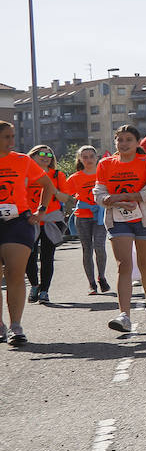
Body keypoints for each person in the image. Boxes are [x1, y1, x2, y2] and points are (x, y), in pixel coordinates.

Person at [94, 125, 146, 332]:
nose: (123, 143)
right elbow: (98, 193)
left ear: (137, 143)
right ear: (115, 142)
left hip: (145, 218)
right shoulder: (105, 164)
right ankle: (124, 315)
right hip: (118, 219)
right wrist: (113, 200)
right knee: (123, 265)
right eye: (120, 140)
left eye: (128, 140)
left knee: (145, 264)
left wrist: (131, 198)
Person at [0, 122, 55, 345]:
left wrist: (40, 210)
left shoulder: (22, 160)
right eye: (6, 137)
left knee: (14, 273)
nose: (12, 141)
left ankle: (16, 326)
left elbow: (48, 185)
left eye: (13, 136)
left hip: (18, 221)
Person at [24, 145, 70, 305]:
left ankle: (44, 291)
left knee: (47, 257)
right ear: (33, 155)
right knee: (28, 256)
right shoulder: (25, 173)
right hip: (30, 218)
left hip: (51, 220)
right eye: (41, 153)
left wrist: (52, 189)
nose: (46, 156)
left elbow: (65, 198)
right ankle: (35, 285)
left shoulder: (57, 175)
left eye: (49, 154)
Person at [66, 145, 110, 295]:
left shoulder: (103, 174)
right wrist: (75, 203)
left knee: (99, 246)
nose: (89, 159)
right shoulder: (75, 178)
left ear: (97, 157)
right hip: (82, 217)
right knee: (87, 249)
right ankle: (91, 283)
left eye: (91, 156)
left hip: (100, 215)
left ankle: (101, 277)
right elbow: (65, 196)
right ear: (80, 159)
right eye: (85, 157)